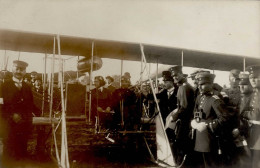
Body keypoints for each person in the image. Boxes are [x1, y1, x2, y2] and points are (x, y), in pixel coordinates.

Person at [190, 72, 231, 168]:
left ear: (211, 84)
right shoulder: (200, 97)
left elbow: (224, 117)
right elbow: (196, 112)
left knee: (211, 164)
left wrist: (208, 125)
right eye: (199, 84)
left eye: (203, 84)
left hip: (210, 139)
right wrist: (195, 121)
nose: (199, 87)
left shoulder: (215, 99)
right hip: (199, 139)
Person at [0, 60, 35, 165]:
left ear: (25, 71)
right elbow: (1, 106)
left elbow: (30, 105)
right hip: (9, 126)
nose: (19, 71)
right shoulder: (3, 86)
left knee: (22, 153)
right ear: (12, 69)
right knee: (9, 154)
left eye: (22, 69)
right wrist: (12, 115)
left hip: (24, 126)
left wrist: (34, 114)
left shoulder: (27, 87)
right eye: (17, 68)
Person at [166, 65, 195, 165]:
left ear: (182, 74)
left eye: (177, 75)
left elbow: (184, 107)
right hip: (185, 120)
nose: (175, 78)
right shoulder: (183, 87)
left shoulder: (184, 88)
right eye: (173, 77)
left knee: (180, 143)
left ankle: (180, 164)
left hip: (185, 121)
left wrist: (174, 117)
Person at [241, 65, 260, 168]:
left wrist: (247, 115)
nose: (252, 80)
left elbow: (256, 115)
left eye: (256, 77)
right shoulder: (253, 94)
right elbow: (243, 112)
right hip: (253, 133)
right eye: (251, 78)